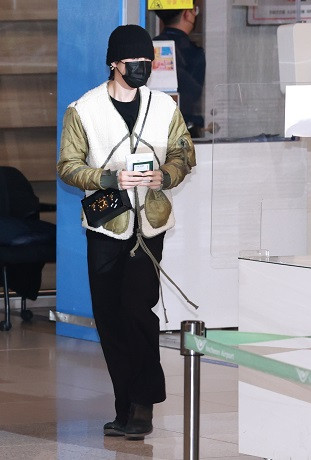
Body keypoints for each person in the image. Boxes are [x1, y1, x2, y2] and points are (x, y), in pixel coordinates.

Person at [57, 24, 196, 440]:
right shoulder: (83, 110)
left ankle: (144, 404)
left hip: (150, 225)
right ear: (114, 63)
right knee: (110, 318)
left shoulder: (163, 106)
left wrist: (166, 175)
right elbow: (68, 166)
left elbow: (184, 152)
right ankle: (124, 405)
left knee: (138, 310)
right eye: (134, 60)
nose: (142, 67)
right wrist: (107, 178)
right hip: (106, 224)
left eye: (147, 61)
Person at [153, 3, 206, 138]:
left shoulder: (151, 46)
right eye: (194, 10)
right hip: (186, 129)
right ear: (187, 14)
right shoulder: (194, 52)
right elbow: (195, 92)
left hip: (156, 128)